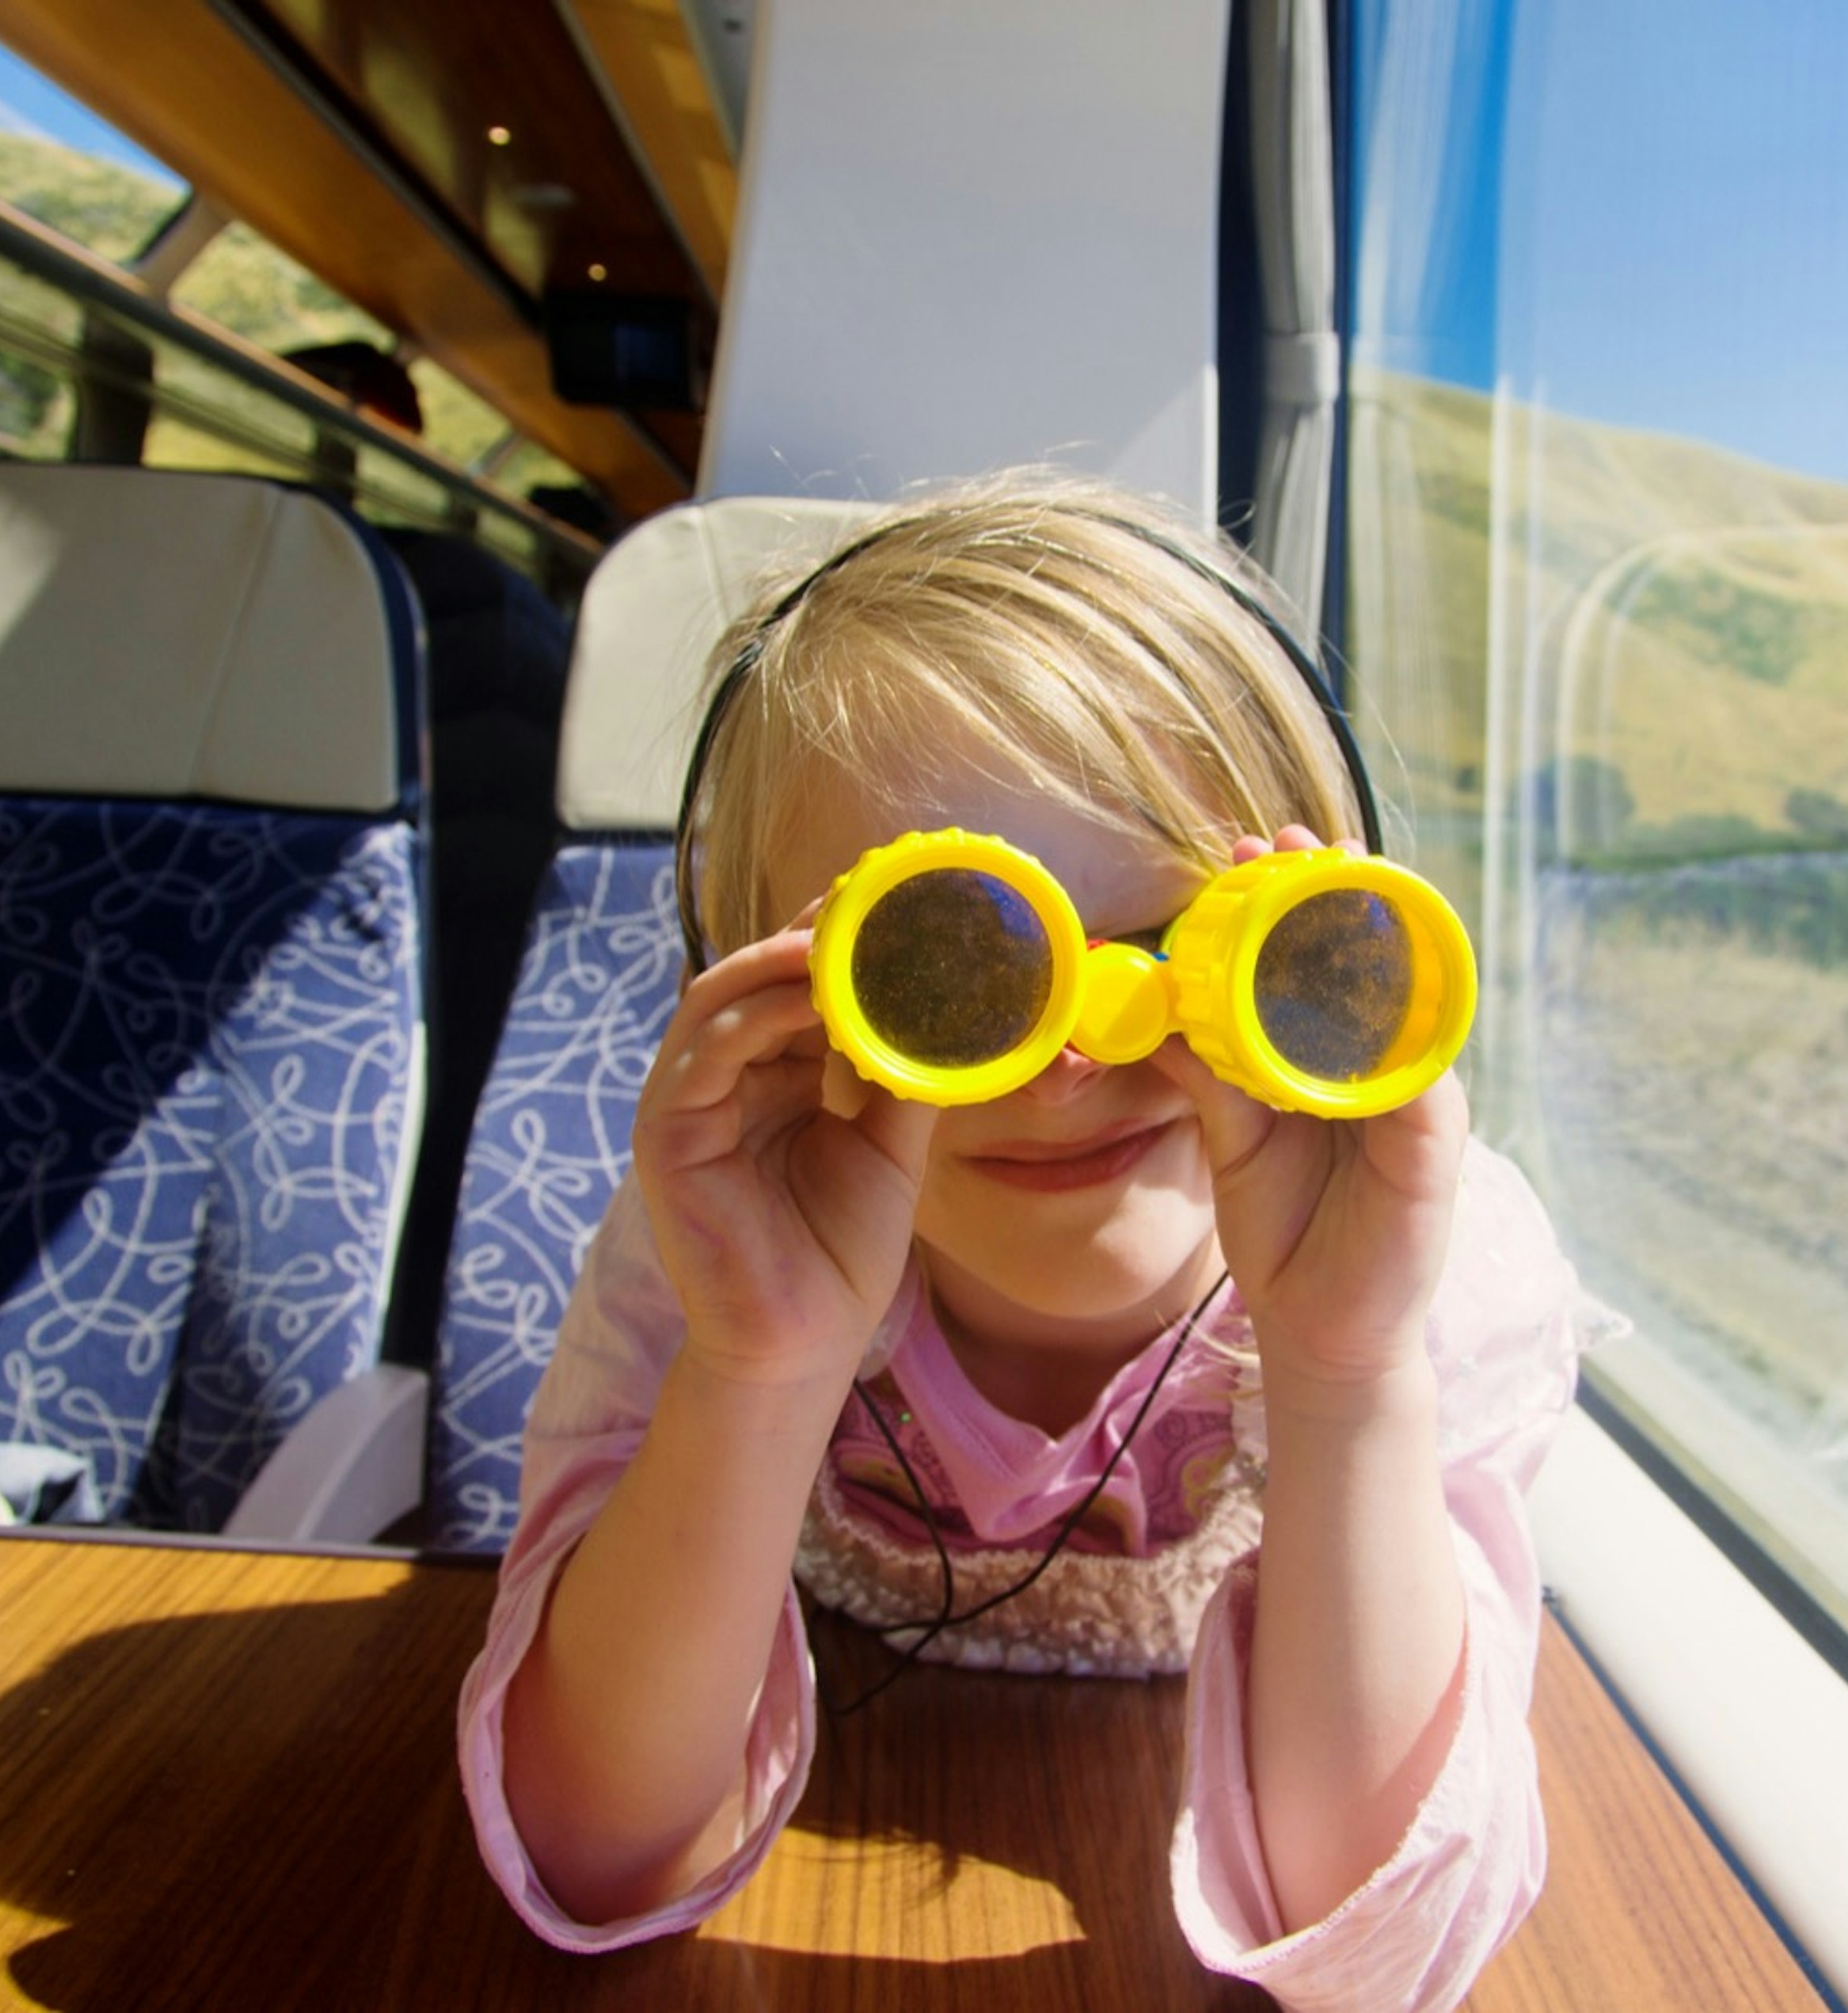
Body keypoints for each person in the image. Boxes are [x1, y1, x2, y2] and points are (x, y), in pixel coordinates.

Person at [456, 478, 1591, 2010]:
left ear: (1325, 963)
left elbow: (1372, 1937)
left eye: (1193, 953)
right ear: (791, 1008)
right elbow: (589, 1851)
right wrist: (762, 1358)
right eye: (948, 969)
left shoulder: (1435, 1279)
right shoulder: (721, 1244)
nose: (1072, 1060)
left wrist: (1342, 1364)